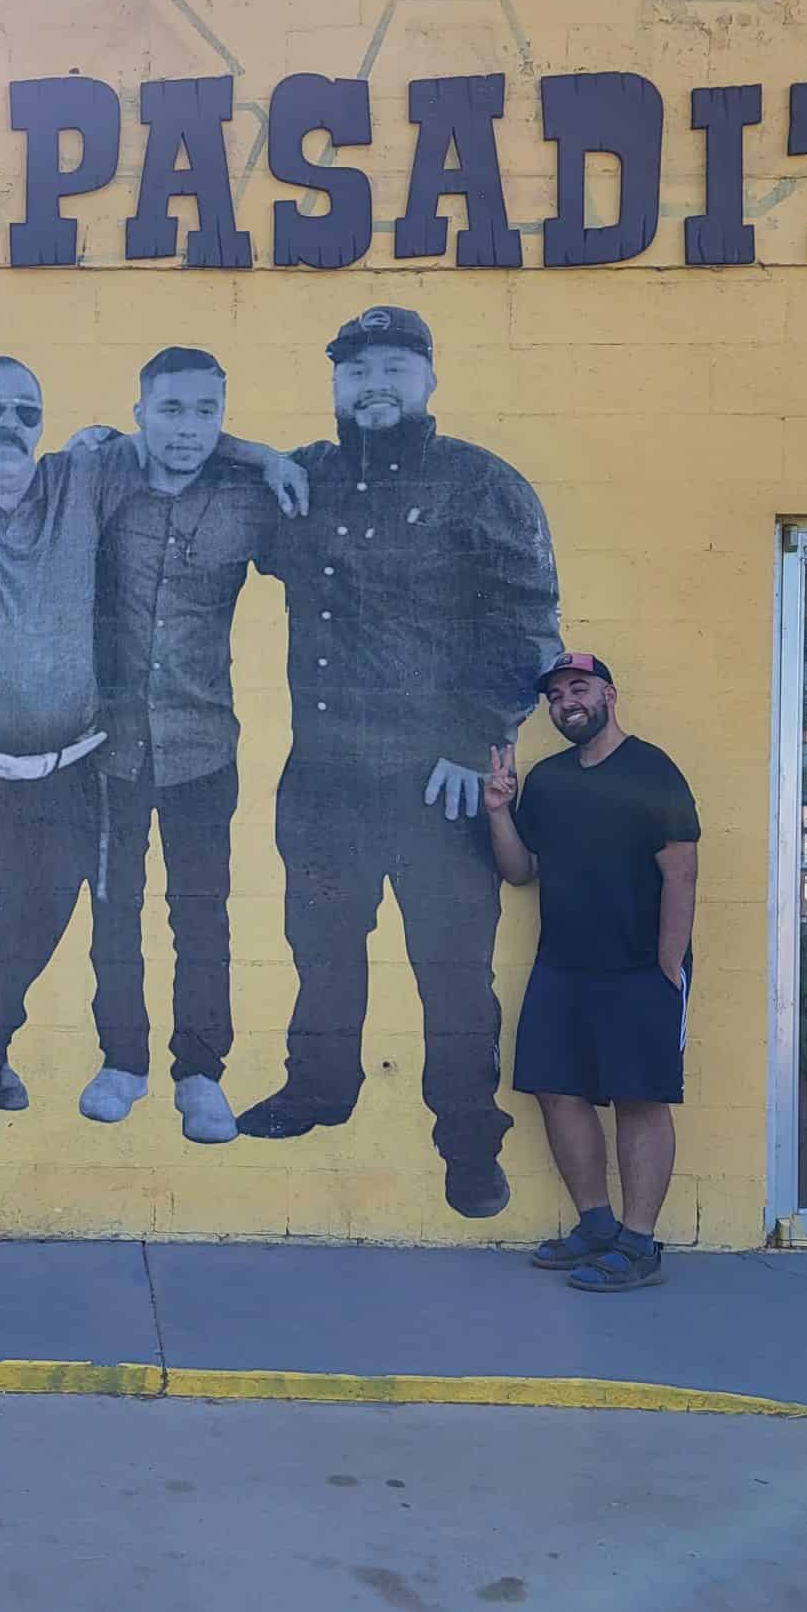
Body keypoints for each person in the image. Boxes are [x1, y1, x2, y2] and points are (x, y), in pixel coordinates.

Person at [0, 357, 303, 1166]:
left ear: (44, 423)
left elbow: (178, 437)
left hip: (72, 773)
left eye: (26, 410)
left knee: (38, 932)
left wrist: (266, 457)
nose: (9, 425)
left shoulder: (82, 478)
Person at [238, 305, 562, 1224]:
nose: (372, 384)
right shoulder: (301, 478)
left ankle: (467, 1138)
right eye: (355, 370)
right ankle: (319, 1088)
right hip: (323, 775)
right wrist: (241, 452)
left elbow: (529, 620)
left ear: (428, 379)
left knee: (452, 969)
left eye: (392, 367)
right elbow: (188, 475)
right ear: (335, 384)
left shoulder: (480, 483)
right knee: (321, 949)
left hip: (438, 780)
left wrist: (475, 739)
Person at [82, 347, 280, 1147]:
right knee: (113, 910)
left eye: (206, 411)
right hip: (110, 749)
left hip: (204, 747)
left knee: (201, 915)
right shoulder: (102, 478)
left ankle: (200, 1074)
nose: (188, 428)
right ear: (138, 412)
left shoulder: (250, 500)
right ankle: (122, 1063)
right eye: (170, 409)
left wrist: (259, 455)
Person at [485, 652, 700, 1291]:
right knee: (557, 1091)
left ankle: (639, 1244)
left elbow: (681, 871)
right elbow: (521, 871)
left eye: (578, 689)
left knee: (640, 1099)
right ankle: (597, 1226)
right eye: (555, 696)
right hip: (561, 967)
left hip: (639, 968)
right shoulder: (548, 780)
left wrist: (667, 964)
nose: (566, 703)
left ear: (609, 694)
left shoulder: (653, 770)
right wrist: (498, 810)